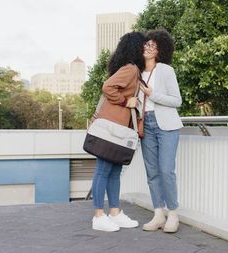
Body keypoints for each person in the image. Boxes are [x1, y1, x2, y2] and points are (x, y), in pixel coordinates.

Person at [91, 32, 146, 232]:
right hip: (112, 128)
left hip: (118, 129)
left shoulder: (130, 69)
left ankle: (114, 213)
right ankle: (98, 216)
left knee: (114, 172)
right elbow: (108, 87)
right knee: (104, 170)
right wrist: (125, 101)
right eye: (143, 46)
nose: (145, 50)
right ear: (136, 48)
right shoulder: (131, 69)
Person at [139, 30, 183, 233]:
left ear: (160, 50)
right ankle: (158, 213)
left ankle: (173, 213)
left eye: (152, 46)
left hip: (166, 125)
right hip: (145, 124)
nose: (147, 48)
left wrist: (152, 94)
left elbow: (177, 100)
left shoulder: (165, 70)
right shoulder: (136, 72)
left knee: (166, 170)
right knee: (152, 172)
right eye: (146, 45)